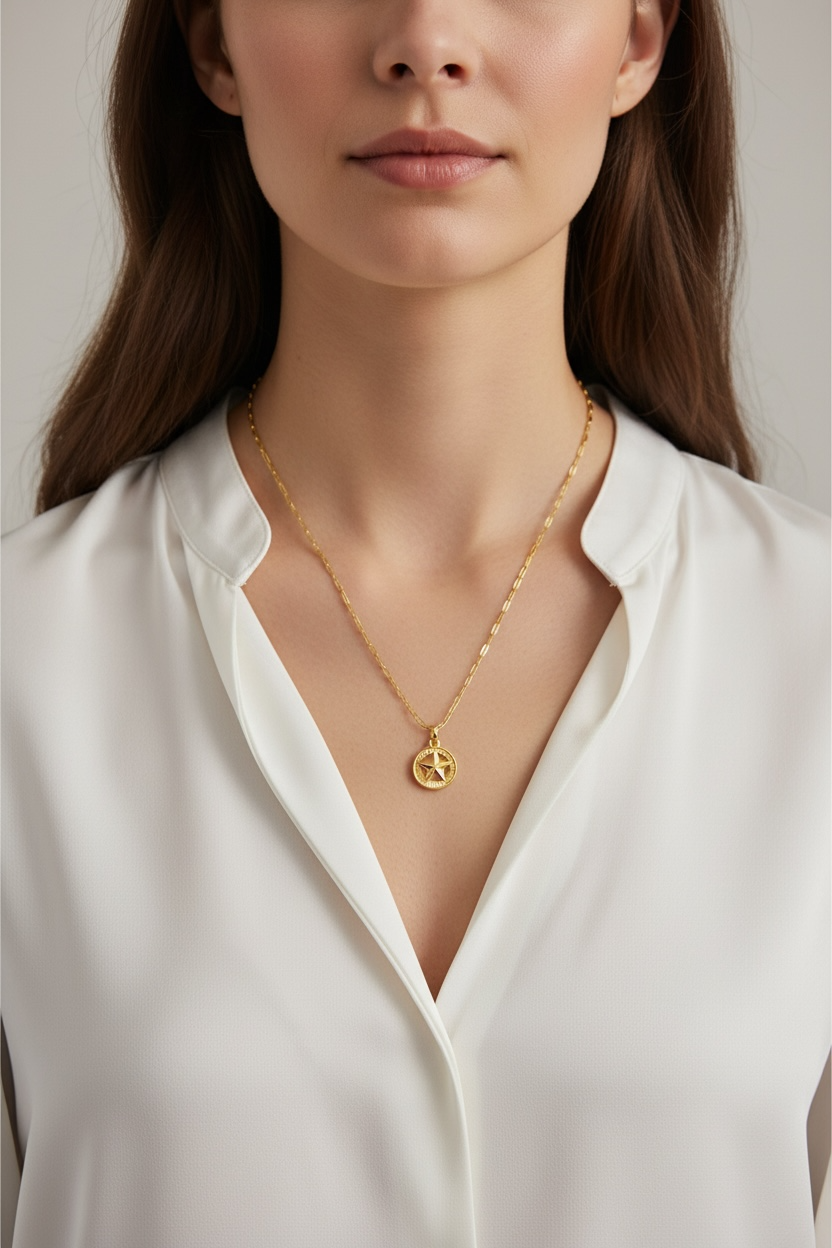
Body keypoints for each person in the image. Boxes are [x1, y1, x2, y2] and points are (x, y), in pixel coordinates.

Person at [2, 0, 829, 1243]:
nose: (425, 41)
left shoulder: (808, 644)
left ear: (640, 41)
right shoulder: (26, 660)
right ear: (212, 44)